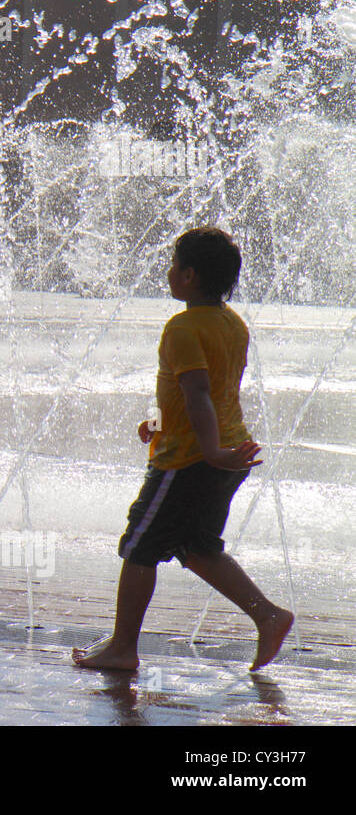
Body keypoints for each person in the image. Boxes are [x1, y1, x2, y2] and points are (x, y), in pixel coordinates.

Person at [73, 227, 293, 672]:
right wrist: (157, 423)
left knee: (139, 545)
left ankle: (122, 648)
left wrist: (208, 451)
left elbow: (198, 393)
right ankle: (268, 615)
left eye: (174, 266)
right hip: (230, 451)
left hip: (191, 459)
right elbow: (205, 387)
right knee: (196, 547)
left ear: (190, 276)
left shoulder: (182, 327)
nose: (169, 273)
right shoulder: (231, 323)